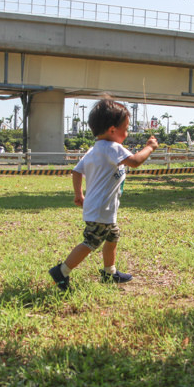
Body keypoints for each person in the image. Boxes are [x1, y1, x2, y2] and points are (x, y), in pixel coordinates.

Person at [49, 97, 158, 291]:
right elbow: (134, 161)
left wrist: (78, 195)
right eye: (126, 128)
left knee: (112, 236)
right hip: (101, 210)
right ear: (112, 130)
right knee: (91, 242)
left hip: (101, 208)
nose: (127, 132)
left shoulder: (93, 150)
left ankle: (110, 272)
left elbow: (76, 171)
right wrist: (149, 147)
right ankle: (62, 271)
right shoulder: (112, 147)